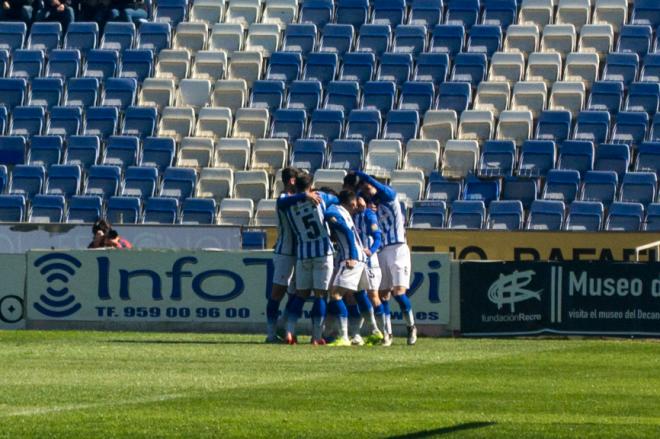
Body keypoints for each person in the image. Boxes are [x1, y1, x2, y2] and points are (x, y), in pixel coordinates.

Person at [346, 171, 417, 346]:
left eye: (368, 187)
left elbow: (373, 184)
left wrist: (359, 174)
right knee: (383, 295)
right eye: (364, 188)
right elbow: (354, 199)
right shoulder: (370, 206)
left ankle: (411, 326)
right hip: (382, 251)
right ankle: (388, 333)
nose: (367, 191)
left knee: (399, 293)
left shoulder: (390, 196)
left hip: (398, 248)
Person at [278, 173, 337, 345]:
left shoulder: (288, 204)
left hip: (303, 253)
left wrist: (302, 195)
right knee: (320, 296)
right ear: (311, 186)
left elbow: (281, 202)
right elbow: (337, 199)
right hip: (323, 253)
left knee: (300, 295)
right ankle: (317, 336)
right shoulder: (321, 198)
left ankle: (289, 332)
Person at [324, 190, 370, 347]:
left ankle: (344, 336)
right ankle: (369, 332)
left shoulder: (334, 211)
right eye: (355, 205)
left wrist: (350, 256)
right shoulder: (346, 213)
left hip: (352, 258)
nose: (356, 208)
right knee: (356, 296)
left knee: (336, 294)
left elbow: (348, 234)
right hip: (359, 258)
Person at [265, 167, 300, 344]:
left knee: (297, 293)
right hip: (285, 252)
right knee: (277, 293)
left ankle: (283, 325)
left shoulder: (297, 198)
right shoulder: (284, 198)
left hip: (300, 253)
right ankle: (271, 334)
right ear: (292, 181)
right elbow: (285, 203)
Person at [350, 197, 384, 345]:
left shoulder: (369, 215)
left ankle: (385, 332)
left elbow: (378, 237)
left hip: (369, 262)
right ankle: (360, 333)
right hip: (356, 262)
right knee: (357, 295)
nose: (360, 205)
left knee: (373, 295)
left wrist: (370, 251)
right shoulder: (349, 215)